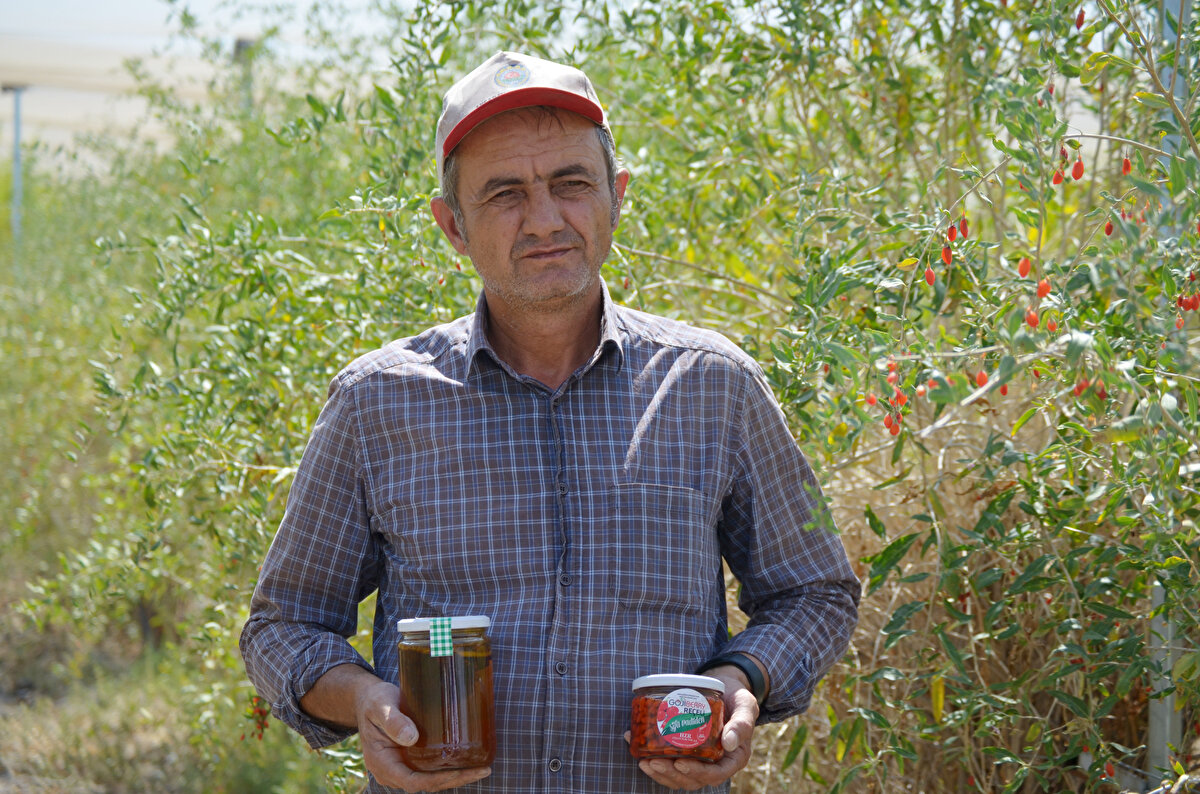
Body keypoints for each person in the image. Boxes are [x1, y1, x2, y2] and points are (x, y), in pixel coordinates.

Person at [240, 50, 860, 793]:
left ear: (616, 197)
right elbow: (283, 627)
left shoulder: (714, 385)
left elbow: (816, 592)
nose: (544, 219)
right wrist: (367, 701)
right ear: (453, 225)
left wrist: (741, 680)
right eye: (504, 194)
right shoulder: (377, 403)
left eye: (571, 184)